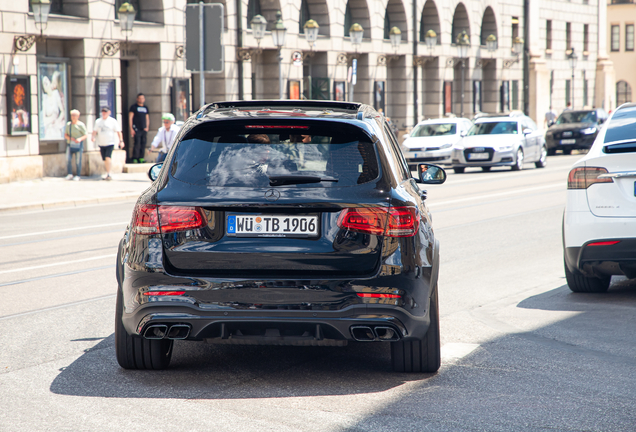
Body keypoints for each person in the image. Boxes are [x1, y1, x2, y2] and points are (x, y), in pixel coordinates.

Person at [92, 106, 124, 181]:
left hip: (110, 142)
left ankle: (109, 173)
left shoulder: (112, 121)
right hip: (101, 143)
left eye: (105, 112)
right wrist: (93, 137)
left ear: (109, 112)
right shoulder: (98, 121)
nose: (104, 113)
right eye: (103, 112)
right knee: (105, 159)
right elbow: (94, 131)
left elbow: (119, 131)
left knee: (108, 157)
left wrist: (121, 141)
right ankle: (107, 172)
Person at [63, 109, 88, 181]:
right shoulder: (69, 124)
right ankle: (70, 174)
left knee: (78, 160)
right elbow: (65, 135)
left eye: (74, 115)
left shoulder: (81, 125)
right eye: (72, 115)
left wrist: (79, 139)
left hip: (78, 145)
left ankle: (78, 175)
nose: (73, 117)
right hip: (70, 144)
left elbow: (85, 135)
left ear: (78, 116)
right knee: (68, 159)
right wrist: (71, 139)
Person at [129, 93, 149, 163]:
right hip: (136, 128)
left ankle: (141, 157)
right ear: (137, 99)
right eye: (139, 98)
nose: (141, 100)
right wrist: (131, 128)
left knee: (143, 143)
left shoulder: (145, 108)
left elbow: (147, 118)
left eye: (142, 98)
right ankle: (135, 157)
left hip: (143, 128)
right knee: (137, 143)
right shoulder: (133, 107)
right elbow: (130, 118)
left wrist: (147, 127)